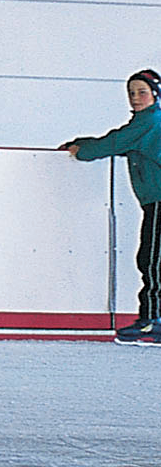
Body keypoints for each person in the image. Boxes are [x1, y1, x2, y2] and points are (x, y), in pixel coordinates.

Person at [62, 68, 161, 344]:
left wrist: (80, 150)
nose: (135, 98)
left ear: (155, 94)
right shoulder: (147, 124)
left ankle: (152, 320)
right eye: (131, 93)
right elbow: (119, 143)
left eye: (142, 92)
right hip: (155, 201)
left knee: (152, 261)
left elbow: (111, 143)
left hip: (160, 202)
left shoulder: (150, 122)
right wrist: (81, 143)